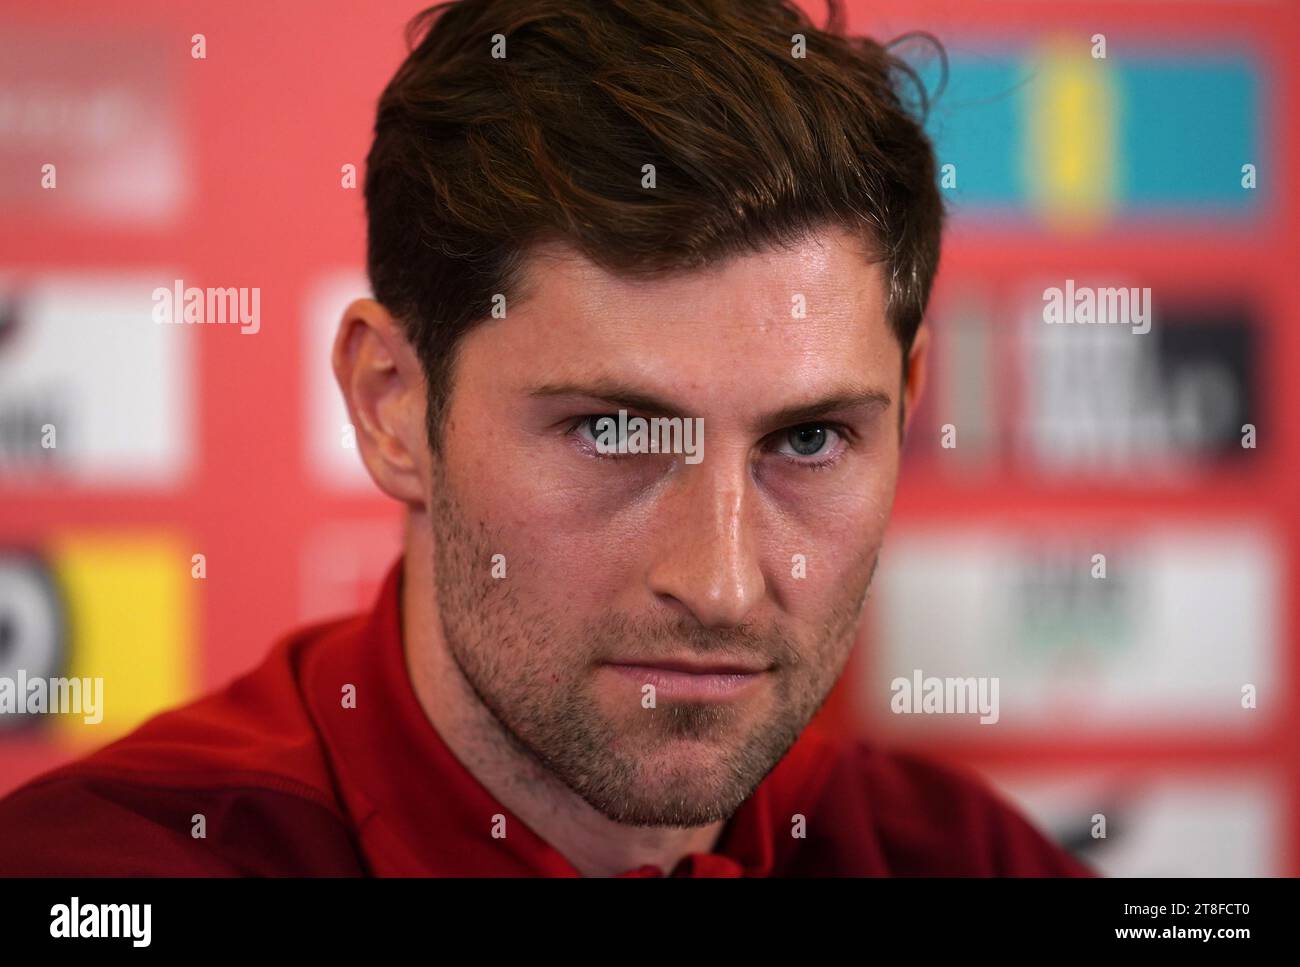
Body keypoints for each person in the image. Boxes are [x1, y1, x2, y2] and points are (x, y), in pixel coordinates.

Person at [0, 0, 1093, 877]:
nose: (719, 586)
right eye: (613, 430)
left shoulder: (961, 856)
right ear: (391, 405)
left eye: (806, 441)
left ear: (906, 403)